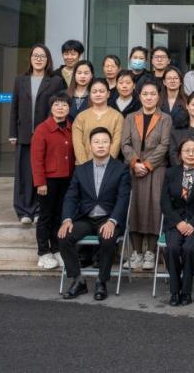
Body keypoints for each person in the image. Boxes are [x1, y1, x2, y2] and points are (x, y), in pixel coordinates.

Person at [58, 127, 131, 301]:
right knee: (64, 236)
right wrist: (67, 219)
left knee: (107, 238)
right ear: (89, 145)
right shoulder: (81, 170)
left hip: (108, 218)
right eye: (96, 142)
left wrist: (113, 221)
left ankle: (101, 281)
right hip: (86, 218)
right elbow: (71, 197)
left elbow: (123, 199)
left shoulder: (121, 169)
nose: (100, 145)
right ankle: (78, 280)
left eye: (105, 142)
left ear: (110, 145)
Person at [9, 43, 66, 224]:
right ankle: (24, 211)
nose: (38, 59)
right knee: (24, 174)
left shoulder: (55, 81)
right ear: (30, 59)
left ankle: (39, 210)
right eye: (35, 56)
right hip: (24, 135)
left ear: (48, 59)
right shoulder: (20, 80)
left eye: (42, 56)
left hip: (46, 135)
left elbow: (59, 106)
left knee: (41, 173)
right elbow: (14, 107)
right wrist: (13, 133)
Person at [120, 81, 172, 272]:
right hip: (134, 168)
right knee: (134, 208)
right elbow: (125, 144)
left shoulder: (165, 118)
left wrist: (148, 165)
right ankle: (136, 253)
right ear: (139, 96)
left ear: (159, 97)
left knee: (154, 209)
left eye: (153, 94)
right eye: (145, 94)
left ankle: (150, 252)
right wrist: (135, 163)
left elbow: (165, 145)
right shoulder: (130, 117)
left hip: (156, 169)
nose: (149, 97)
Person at [159, 137, 194, 306]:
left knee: (188, 249)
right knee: (172, 249)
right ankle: (174, 290)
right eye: (187, 150)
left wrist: (193, 224)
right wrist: (178, 222)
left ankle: (186, 291)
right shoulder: (171, 173)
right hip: (175, 223)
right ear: (180, 154)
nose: (191, 154)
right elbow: (164, 202)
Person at [31, 93, 75, 270]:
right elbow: (36, 159)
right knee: (45, 217)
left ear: (69, 108)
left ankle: (56, 249)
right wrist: (40, 182)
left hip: (66, 179)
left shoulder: (72, 127)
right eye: (57, 104)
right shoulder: (42, 129)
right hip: (48, 181)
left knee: (59, 216)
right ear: (51, 108)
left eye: (64, 105)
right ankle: (43, 252)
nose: (60, 108)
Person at [73, 78, 124, 164]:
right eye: (94, 92)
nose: (98, 94)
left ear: (108, 94)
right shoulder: (81, 117)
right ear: (90, 94)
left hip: (109, 166)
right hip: (83, 165)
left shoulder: (117, 117)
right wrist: (85, 166)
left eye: (101, 91)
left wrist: (105, 164)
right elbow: (78, 144)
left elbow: (116, 144)